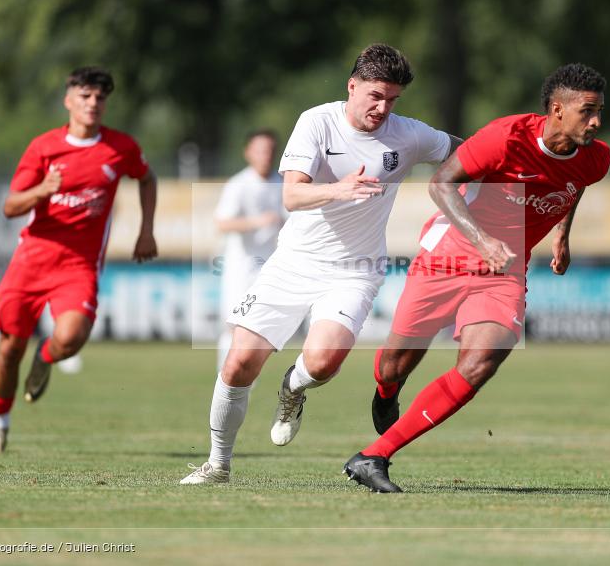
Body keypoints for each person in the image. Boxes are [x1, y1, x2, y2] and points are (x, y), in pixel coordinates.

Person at [181, 43, 462, 484]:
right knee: (238, 365)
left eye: (392, 99)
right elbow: (291, 195)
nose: (383, 108)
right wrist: (339, 189)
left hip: (356, 268)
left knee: (325, 361)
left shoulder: (408, 134)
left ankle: (293, 388)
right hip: (293, 262)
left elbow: (468, 152)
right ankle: (217, 465)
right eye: (375, 96)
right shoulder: (317, 122)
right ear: (352, 86)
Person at [342, 63, 610, 492]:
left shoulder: (597, 158)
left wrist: (562, 234)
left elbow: (575, 185)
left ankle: (374, 456)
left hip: (504, 269)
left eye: (600, 111)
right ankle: (387, 390)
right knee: (395, 363)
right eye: (588, 111)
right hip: (448, 253)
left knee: (483, 359)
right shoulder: (505, 137)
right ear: (557, 109)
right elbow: (441, 184)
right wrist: (483, 240)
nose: (596, 121)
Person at [0, 66, 158, 454]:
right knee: (10, 349)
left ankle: (45, 358)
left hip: (78, 265)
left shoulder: (120, 147)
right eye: (85, 96)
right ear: (68, 101)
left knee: (71, 338)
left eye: (100, 98)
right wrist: (43, 189)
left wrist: (147, 231)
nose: (93, 103)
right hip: (31, 260)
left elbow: (146, 178)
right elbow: (11, 206)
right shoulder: (44, 147)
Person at [213, 130, 286, 373]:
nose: (266, 156)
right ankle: (225, 376)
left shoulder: (283, 183)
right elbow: (223, 223)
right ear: (248, 152)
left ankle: (247, 376)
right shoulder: (239, 184)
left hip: (270, 267)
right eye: (260, 150)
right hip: (240, 267)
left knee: (261, 327)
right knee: (234, 325)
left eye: (270, 150)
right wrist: (258, 221)